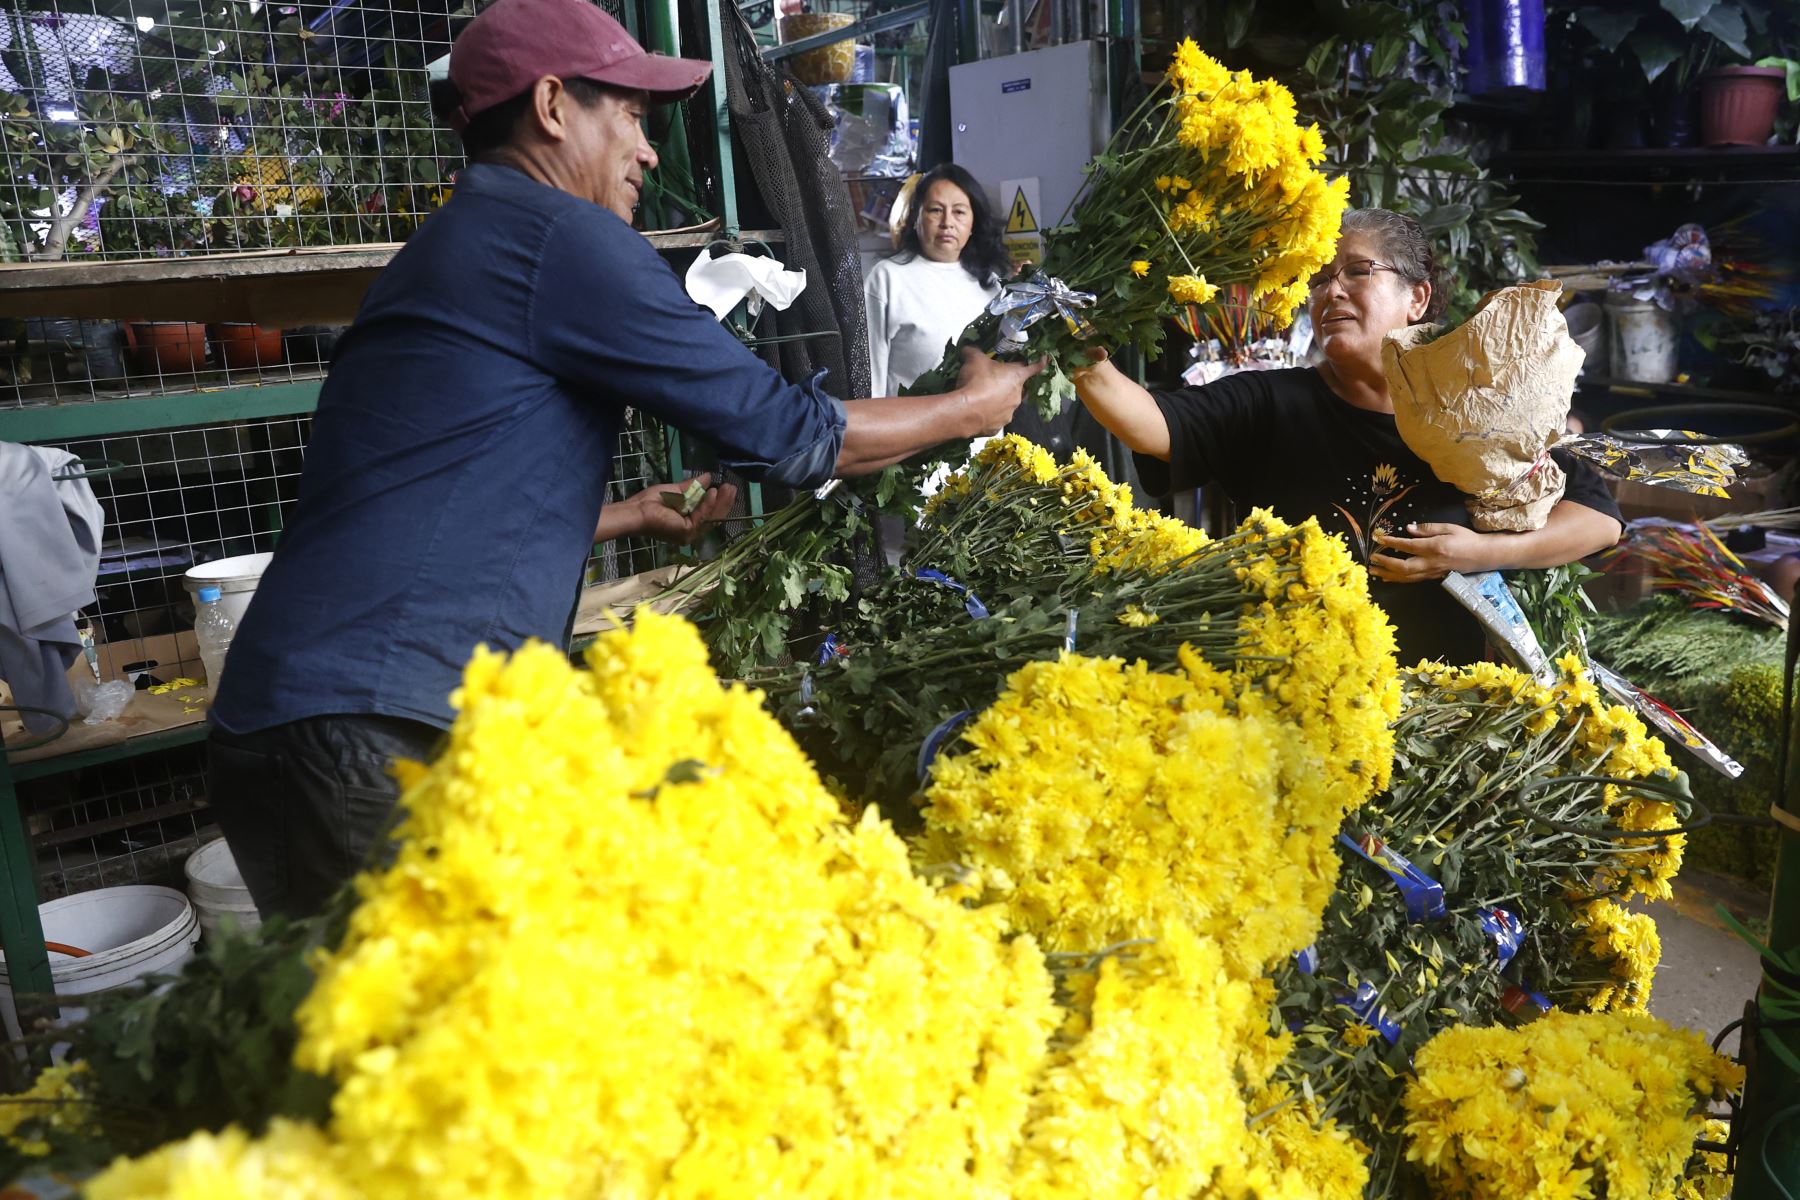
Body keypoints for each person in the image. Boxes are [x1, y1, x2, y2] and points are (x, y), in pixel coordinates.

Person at [205, 0, 1041, 921]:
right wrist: (967, 408)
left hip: (289, 717)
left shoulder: (455, 243)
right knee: (471, 1037)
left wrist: (633, 514)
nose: (648, 151)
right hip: (376, 725)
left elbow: (427, 492)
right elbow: (784, 432)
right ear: (555, 107)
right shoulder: (558, 237)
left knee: (372, 1043)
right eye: (633, 117)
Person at [1071, 207, 1624, 665]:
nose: (1330, 291)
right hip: (1303, 698)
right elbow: (1148, 425)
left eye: (1357, 271)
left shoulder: (1480, 404)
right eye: (1318, 279)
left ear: (1418, 298)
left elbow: (1599, 521)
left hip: (1451, 714)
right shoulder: (1271, 403)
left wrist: (1481, 552)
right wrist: (1076, 346)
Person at [864, 163, 1010, 397]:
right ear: (915, 217)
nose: (947, 222)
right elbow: (870, 378)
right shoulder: (887, 279)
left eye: (959, 212)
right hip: (911, 430)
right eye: (935, 210)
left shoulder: (990, 284)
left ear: (973, 224)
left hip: (986, 432)